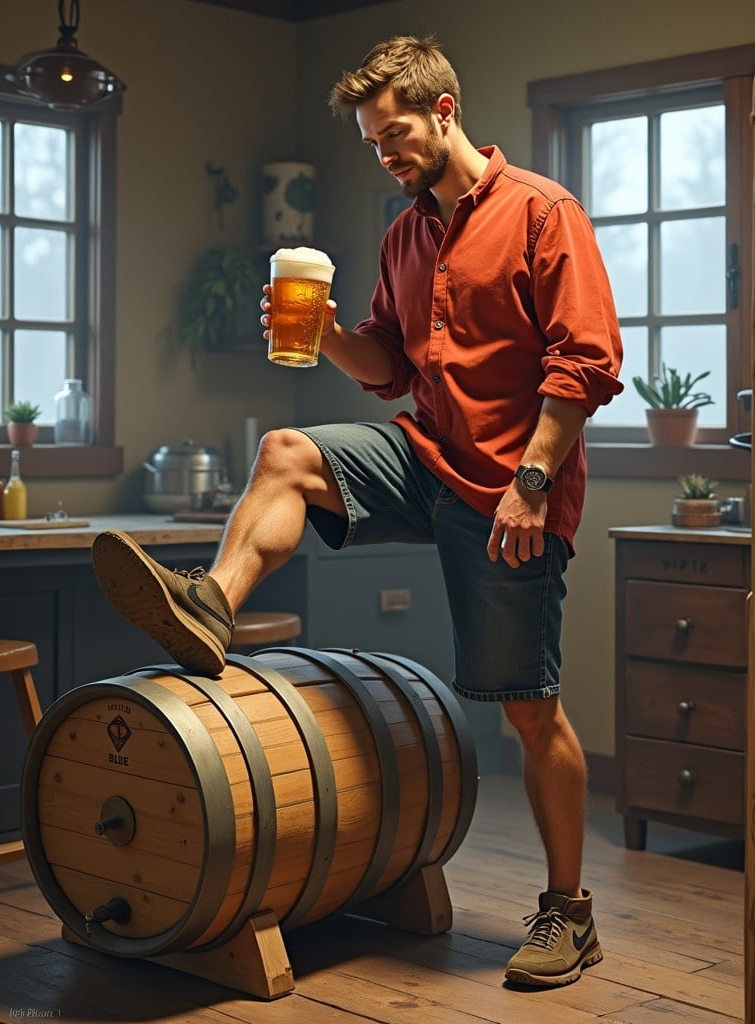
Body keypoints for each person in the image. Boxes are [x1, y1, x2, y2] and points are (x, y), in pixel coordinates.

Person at [91, 34, 623, 989]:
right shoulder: (404, 234)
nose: (386, 153)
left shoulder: (545, 212)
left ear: (445, 112)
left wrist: (534, 480)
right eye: (375, 141)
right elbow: (388, 364)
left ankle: (568, 914)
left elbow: (584, 362)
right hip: (425, 456)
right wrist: (329, 333)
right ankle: (209, 605)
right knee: (286, 454)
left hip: (512, 489)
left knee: (529, 711)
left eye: (397, 134)